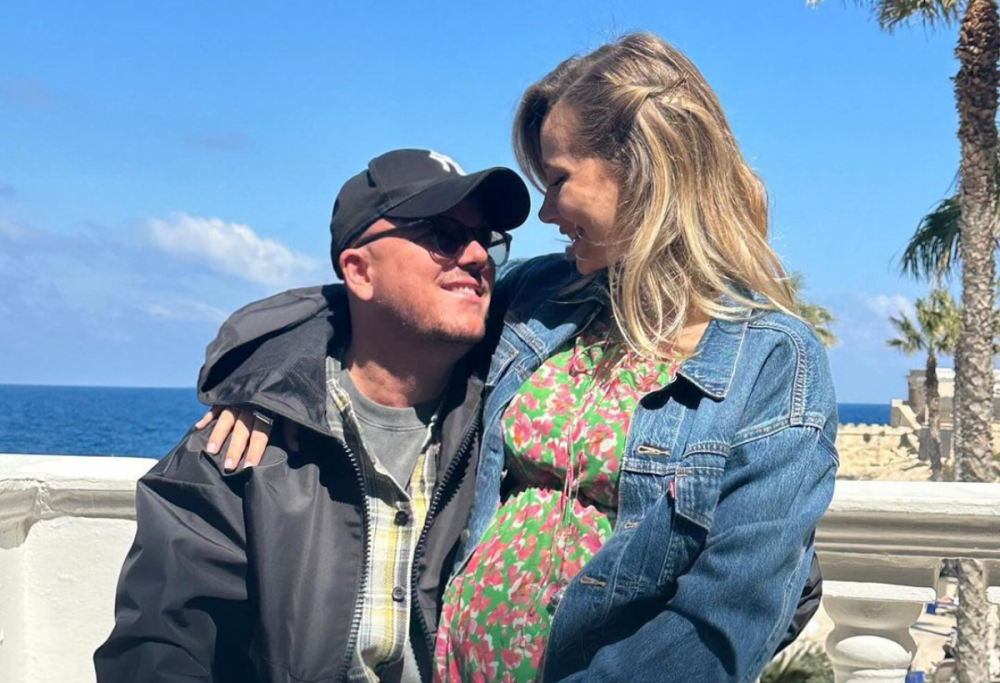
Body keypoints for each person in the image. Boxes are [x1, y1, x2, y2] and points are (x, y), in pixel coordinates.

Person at [190, 33, 834, 683]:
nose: (546, 212)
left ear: (643, 166)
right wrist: (268, 382)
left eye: (558, 179)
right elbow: (370, 307)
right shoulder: (542, 297)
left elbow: (726, 614)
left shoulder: (773, 361)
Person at [93, 148, 532, 683]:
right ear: (359, 271)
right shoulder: (245, 446)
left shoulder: (516, 422)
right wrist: (265, 381)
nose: (477, 256)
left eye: (485, 239)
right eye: (443, 235)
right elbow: (159, 645)